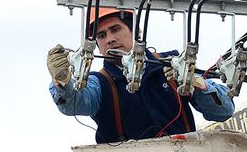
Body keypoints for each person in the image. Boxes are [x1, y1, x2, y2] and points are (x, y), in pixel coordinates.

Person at [46, 8, 235, 144]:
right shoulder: (101, 83)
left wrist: (197, 83)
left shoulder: (172, 65)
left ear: (137, 32)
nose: (109, 39)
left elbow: (224, 110)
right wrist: (62, 81)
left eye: (116, 29)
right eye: (101, 36)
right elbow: (75, 101)